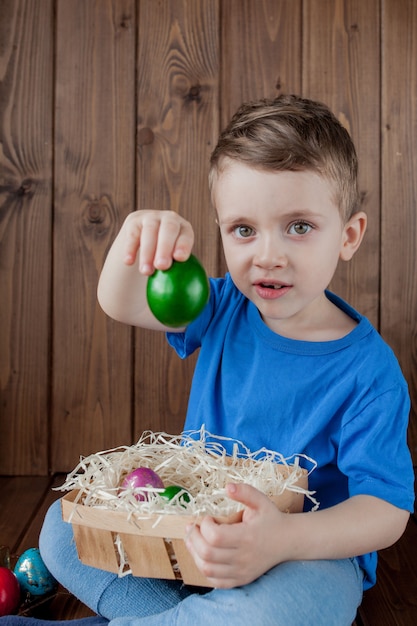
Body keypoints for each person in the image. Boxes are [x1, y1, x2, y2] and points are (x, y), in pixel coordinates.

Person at [3, 95, 413, 626]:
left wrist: (281, 539)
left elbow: (385, 513)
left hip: (304, 558)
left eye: (299, 226)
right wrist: (138, 236)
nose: (268, 254)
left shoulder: (369, 374)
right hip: (187, 532)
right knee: (61, 528)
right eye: (244, 229)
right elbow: (120, 301)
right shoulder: (222, 306)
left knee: (276, 612)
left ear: (349, 235)